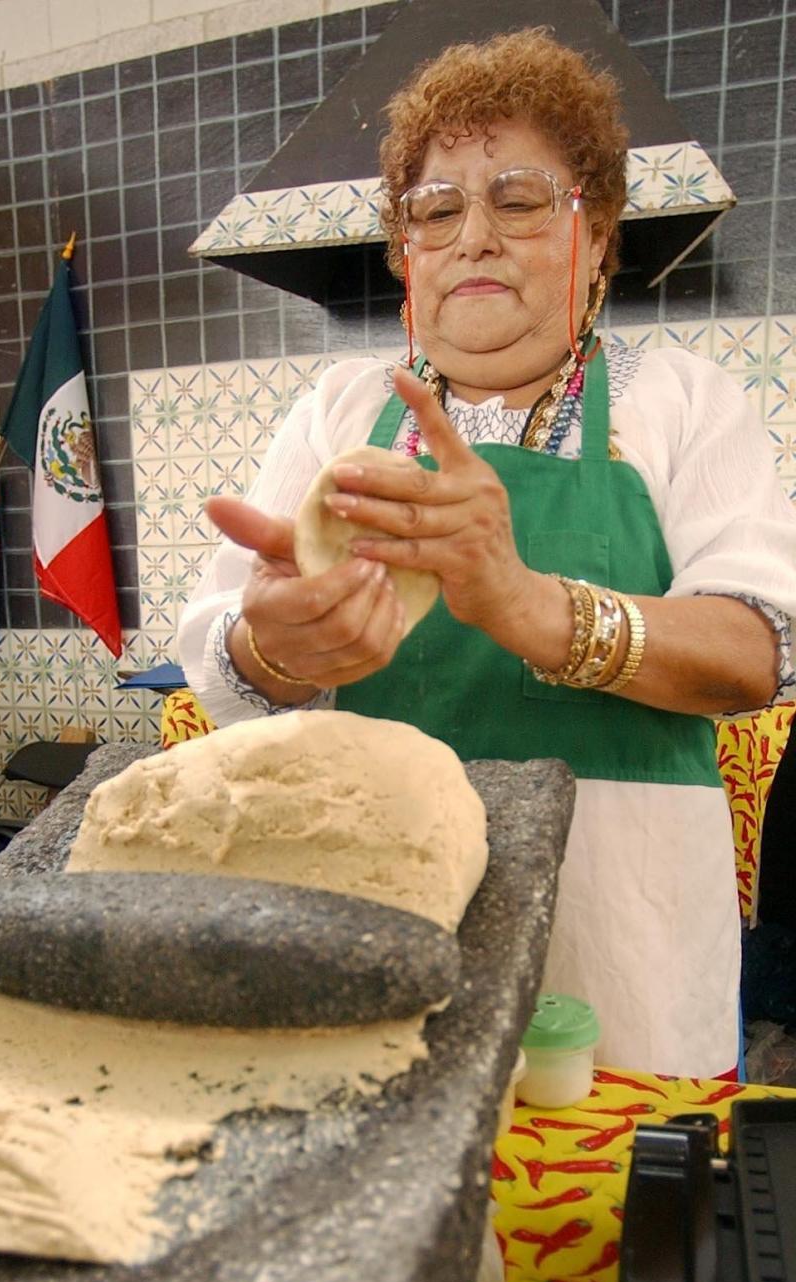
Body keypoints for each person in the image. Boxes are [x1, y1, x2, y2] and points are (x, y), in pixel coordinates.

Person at [177, 29, 796, 1078]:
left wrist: (527, 602)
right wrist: (285, 648)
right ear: (406, 251)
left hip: (619, 958)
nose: (474, 236)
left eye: (517, 199)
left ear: (596, 235)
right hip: (376, 926)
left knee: (604, 1234)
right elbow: (222, 661)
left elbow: (756, 651)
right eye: (436, 209)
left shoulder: (682, 401)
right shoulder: (343, 411)